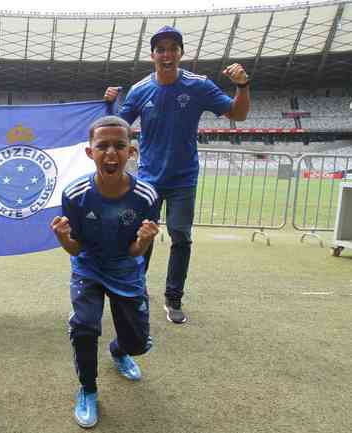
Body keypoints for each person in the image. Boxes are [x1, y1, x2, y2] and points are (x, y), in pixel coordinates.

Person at [104, 25, 250, 324]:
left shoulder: (199, 85)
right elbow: (118, 125)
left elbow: (237, 114)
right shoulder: (142, 89)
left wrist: (242, 86)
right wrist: (109, 102)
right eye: (161, 49)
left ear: (181, 53)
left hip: (184, 178)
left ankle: (173, 298)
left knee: (181, 236)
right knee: (140, 235)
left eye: (173, 48)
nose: (167, 54)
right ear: (153, 55)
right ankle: (136, 290)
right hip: (148, 178)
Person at [51, 116, 160, 428]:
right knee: (85, 326)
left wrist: (143, 240)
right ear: (90, 152)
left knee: (138, 344)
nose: (111, 152)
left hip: (125, 269)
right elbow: (76, 248)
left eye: (119, 146)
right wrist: (63, 238)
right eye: (103, 146)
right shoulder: (75, 194)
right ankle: (87, 389)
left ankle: (119, 349)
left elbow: (135, 252)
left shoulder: (147, 197)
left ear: (132, 152)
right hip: (89, 268)